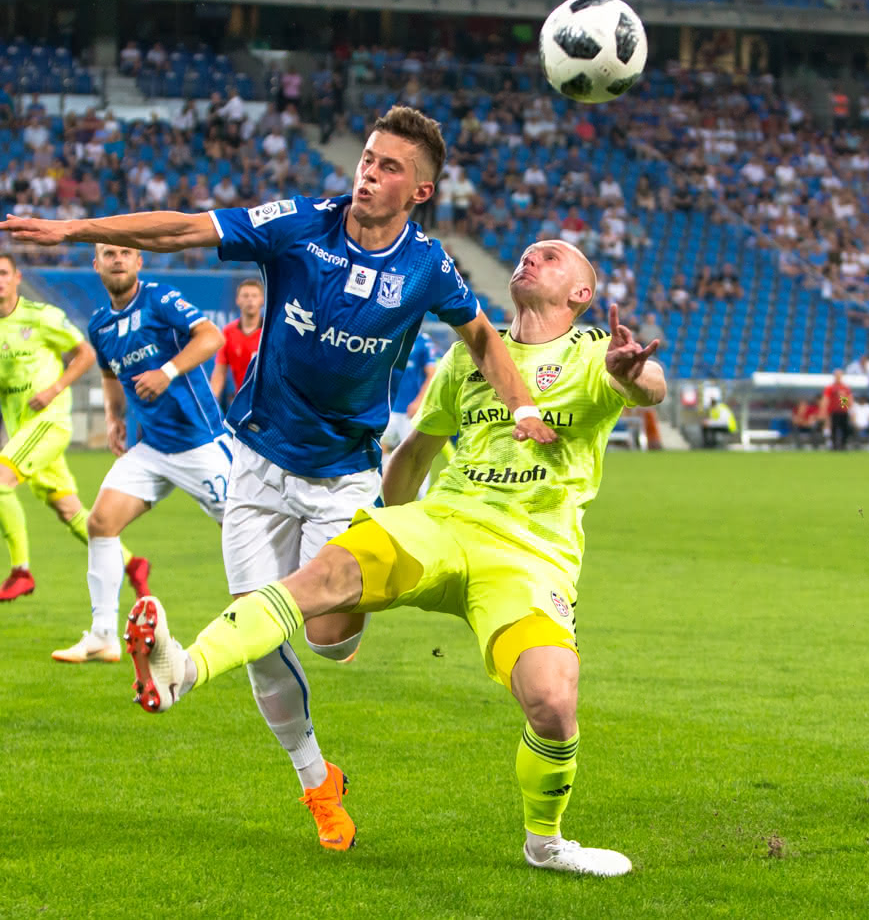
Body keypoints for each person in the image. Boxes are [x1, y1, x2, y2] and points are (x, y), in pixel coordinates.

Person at [0, 105, 552, 853]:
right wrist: (78, 229)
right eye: (367, 159)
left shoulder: (429, 267)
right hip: (255, 465)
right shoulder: (299, 225)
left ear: (419, 191)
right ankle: (317, 781)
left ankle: (259, 645)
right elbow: (188, 227)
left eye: (388, 168)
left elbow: (481, 333)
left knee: (328, 639)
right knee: (259, 635)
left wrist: (522, 406)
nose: (368, 174)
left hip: (345, 479)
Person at [121, 241, 664, 877]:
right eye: (527, 253)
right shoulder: (469, 357)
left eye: (551, 257)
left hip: (530, 555)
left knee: (552, 701)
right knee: (322, 582)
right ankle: (181, 670)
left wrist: (633, 376)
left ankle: (545, 843)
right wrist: (382, 528)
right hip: (442, 523)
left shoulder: (595, 353)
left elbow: (647, 386)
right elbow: (415, 455)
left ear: (580, 294)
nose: (531, 258)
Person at [53, 243, 227, 665]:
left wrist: (167, 372)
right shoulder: (99, 325)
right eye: (108, 253)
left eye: (125, 253)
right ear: (96, 265)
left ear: (138, 262)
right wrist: (115, 418)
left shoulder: (160, 299)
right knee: (101, 522)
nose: (117, 259)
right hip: (152, 448)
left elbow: (211, 336)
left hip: (200, 443)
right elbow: (110, 375)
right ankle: (102, 636)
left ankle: (318, 604)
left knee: (252, 525)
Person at [0, 253, 97, 603]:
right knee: (70, 511)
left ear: (17, 277)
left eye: (3, 273)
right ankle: (132, 566)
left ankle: (21, 571)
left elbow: (85, 354)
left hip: (47, 422)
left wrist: (54, 389)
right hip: (22, 429)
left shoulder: (41, 317)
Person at [380, 328, 437, 494]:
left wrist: (419, 401)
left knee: (415, 455)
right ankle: (386, 489)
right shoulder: (391, 336)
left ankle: (422, 495)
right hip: (389, 407)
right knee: (381, 447)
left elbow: (431, 374)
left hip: (410, 410)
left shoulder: (423, 341)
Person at [208, 277, 263, 406]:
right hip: (241, 403)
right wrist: (210, 403)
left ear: (262, 300)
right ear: (237, 300)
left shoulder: (270, 332)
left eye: (254, 296)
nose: (250, 299)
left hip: (268, 403)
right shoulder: (228, 332)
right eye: (245, 296)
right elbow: (219, 373)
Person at [821, 370, 854, 451]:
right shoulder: (830, 387)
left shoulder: (845, 388)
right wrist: (824, 410)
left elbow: (849, 401)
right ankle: (834, 446)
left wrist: (843, 398)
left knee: (844, 429)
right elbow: (826, 399)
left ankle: (843, 445)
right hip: (834, 411)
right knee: (834, 429)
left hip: (843, 412)